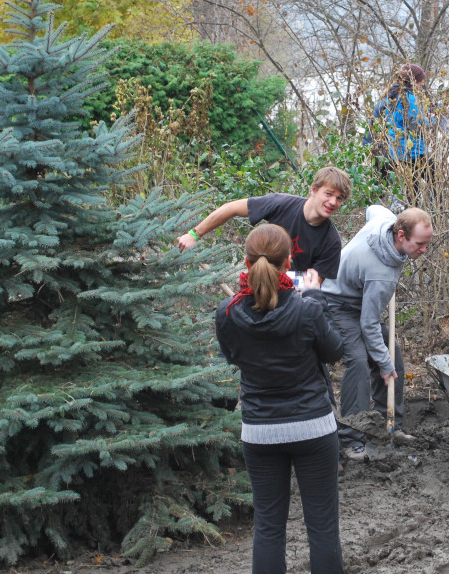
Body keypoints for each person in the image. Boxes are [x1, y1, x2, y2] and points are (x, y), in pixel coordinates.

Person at [215, 224, 345, 573]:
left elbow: (233, 357)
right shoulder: (308, 309)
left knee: (269, 529)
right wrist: (317, 296)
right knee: (323, 529)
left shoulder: (227, 314)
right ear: (289, 263)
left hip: (259, 432)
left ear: (245, 262)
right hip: (313, 429)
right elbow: (334, 352)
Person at [321, 205, 434, 461]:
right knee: (360, 362)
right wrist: (382, 364)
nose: (424, 250)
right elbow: (368, 324)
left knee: (393, 358)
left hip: (359, 300)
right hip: (336, 302)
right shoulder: (380, 274)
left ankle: (389, 425)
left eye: (427, 243)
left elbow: (373, 208)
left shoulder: (386, 221)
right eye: (420, 244)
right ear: (401, 235)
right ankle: (351, 438)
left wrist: (386, 361)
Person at [177, 166, 352, 283]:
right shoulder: (280, 204)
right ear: (314, 190)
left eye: (339, 198)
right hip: (257, 285)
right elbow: (230, 208)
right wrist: (194, 234)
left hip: (292, 299)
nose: (333, 202)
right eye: (328, 194)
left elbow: (313, 284)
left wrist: (278, 283)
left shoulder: (331, 241)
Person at [371, 64, 435, 201]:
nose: (422, 84)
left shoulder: (391, 95)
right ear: (412, 81)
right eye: (420, 81)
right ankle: (436, 215)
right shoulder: (409, 98)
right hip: (412, 152)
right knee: (433, 180)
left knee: (410, 190)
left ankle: (408, 217)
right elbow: (415, 125)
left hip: (396, 151)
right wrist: (433, 120)